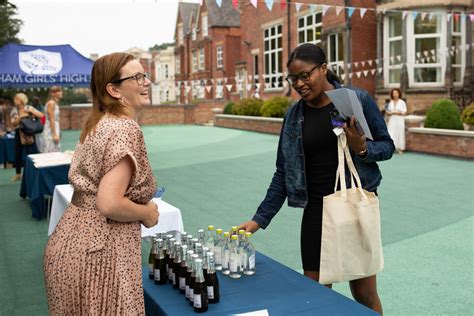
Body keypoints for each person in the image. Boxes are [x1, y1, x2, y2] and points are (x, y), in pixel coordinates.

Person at [238, 44, 394, 314]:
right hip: (316, 212)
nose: (299, 84)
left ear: (323, 68)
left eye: (305, 75)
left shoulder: (354, 101)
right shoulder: (294, 116)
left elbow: (387, 146)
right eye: (293, 78)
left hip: (352, 206)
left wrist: (362, 148)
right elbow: (283, 173)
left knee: (365, 294)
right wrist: (258, 220)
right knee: (313, 295)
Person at [44, 53, 159, 314]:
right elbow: (108, 203)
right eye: (138, 77)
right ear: (114, 89)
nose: (146, 82)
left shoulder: (99, 124)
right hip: (99, 253)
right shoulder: (124, 129)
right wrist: (146, 213)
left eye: (145, 75)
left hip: (71, 245)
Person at [10, 93, 43, 181]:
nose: (15, 100)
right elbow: (13, 123)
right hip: (18, 132)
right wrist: (21, 117)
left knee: (32, 153)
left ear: (21, 99)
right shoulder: (14, 110)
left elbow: (41, 115)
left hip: (29, 132)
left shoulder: (28, 108)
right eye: (14, 99)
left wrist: (31, 113)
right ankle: (18, 174)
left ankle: (35, 172)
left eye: (17, 99)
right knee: (18, 154)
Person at [40, 86, 62, 152]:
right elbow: (51, 119)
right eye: (59, 91)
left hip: (54, 127)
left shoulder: (54, 103)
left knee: (55, 149)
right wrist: (54, 134)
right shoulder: (51, 103)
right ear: (53, 93)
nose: (61, 93)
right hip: (50, 129)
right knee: (51, 149)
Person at [386, 88, 407, 153]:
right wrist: (390, 113)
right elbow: (388, 112)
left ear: (399, 94)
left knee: (400, 133)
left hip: (399, 120)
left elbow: (404, 112)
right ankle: (392, 148)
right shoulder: (391, 102)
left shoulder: (402, 102)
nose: (395, 94)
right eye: (394, 93)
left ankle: (400, 148)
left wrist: (395, 112)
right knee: (391, 133)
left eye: (396, 93)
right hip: (392, 120)